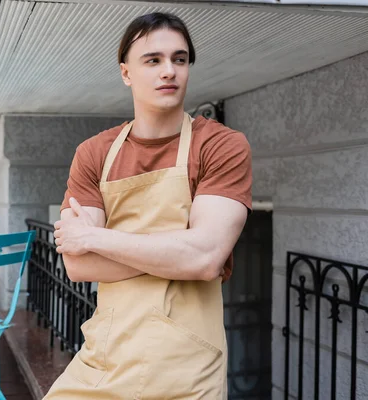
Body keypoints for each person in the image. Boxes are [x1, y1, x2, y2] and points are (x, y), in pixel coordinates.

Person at [46, 12, 252, 399]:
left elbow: (206, 257)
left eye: (180, 59)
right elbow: (78, 264)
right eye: (153, 60)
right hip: (104, 357)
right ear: (126, 73)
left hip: (188, 364)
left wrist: (94, 236)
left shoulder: (222, 145)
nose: (169, 71)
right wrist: (180, 249)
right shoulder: (94, 153)